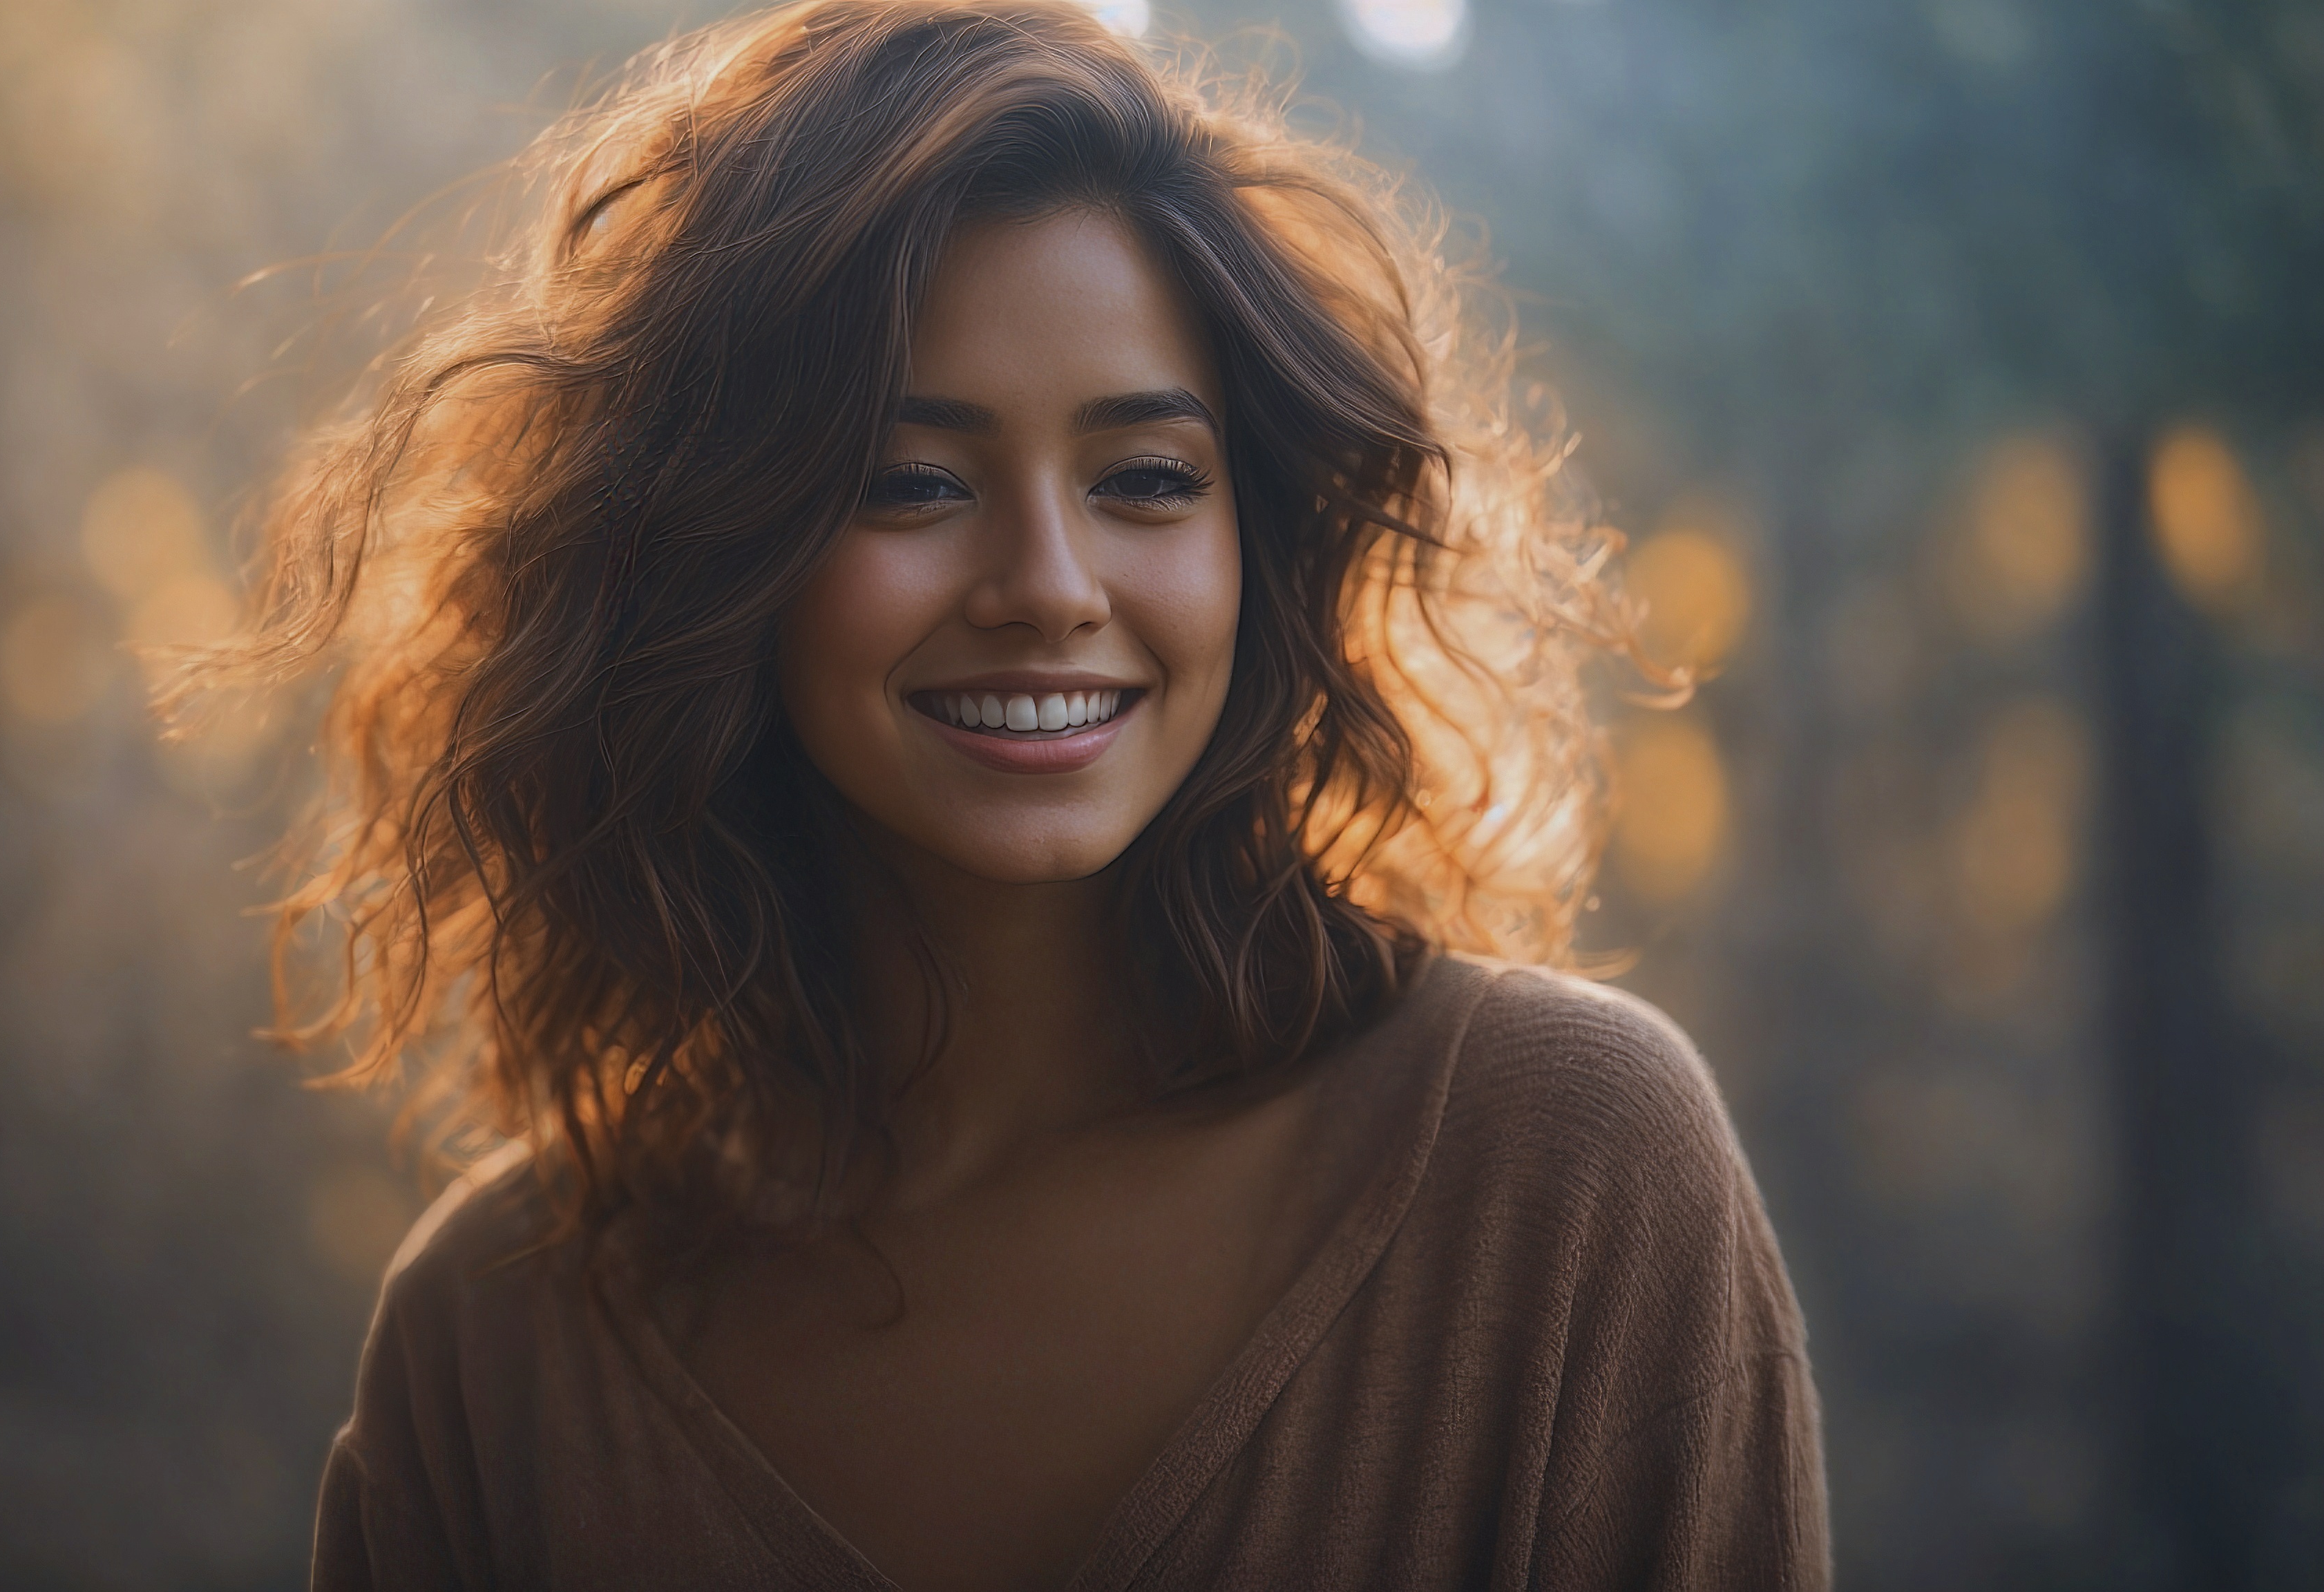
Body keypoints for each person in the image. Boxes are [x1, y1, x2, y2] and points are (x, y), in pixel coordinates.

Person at [211, 2, 1827, 1585]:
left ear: (1257, 538)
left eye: (1145, 479)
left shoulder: (1566, 1173)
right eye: (913, 481)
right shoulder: (494, 1351)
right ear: (714, 550)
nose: (1049, 587)